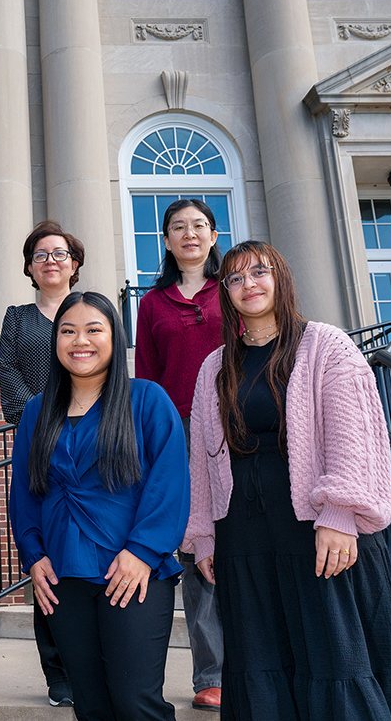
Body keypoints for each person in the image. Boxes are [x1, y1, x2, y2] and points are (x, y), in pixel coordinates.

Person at [183, 240, 391, 721]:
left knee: (331, 650)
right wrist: (204, 534)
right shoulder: (215, 365)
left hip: (315, 527)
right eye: (234, 278)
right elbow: (203, 457)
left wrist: (339, 512)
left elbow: (352, 431)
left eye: (258, 272)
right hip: (244, 533)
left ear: (281, 277)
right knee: (259, 653)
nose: (247, 285)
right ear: (225, 293)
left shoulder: (325, 344)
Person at [9, 291, 190, 721]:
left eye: (94, 330)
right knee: (89, 705)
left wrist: (143, 552)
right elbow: (25, 493)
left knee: (136, 702)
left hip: (131, 572)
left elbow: (169, 484)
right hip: (62, 575)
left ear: (114, 336)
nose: (80, 341)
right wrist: (33, 557)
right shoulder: (37, 411)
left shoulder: (146, 400)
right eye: (67, 331)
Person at [133, 198, 226, 712]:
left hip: (236, 427)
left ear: (214, 236)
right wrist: (148, 437)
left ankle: (260, 660)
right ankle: (211, 672)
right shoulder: (153, 303)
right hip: (178, 431)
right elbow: (145, 373)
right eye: (177, 228)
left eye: (198, 226)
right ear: (166, 241)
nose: (189, 234)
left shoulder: (233, 289)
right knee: (195, 546)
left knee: (243, 539)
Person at [0, 219, 85, 707]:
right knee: (46, 559)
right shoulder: (17, 317)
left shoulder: (93, 312)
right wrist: (42, 422)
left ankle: (90, 660)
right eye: (41, 255)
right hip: (36, 449)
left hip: (92, 451)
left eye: (59, 253)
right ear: (30, 267)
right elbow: (7, 370)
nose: (51, 261)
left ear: (75, 262)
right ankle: (58, 672)